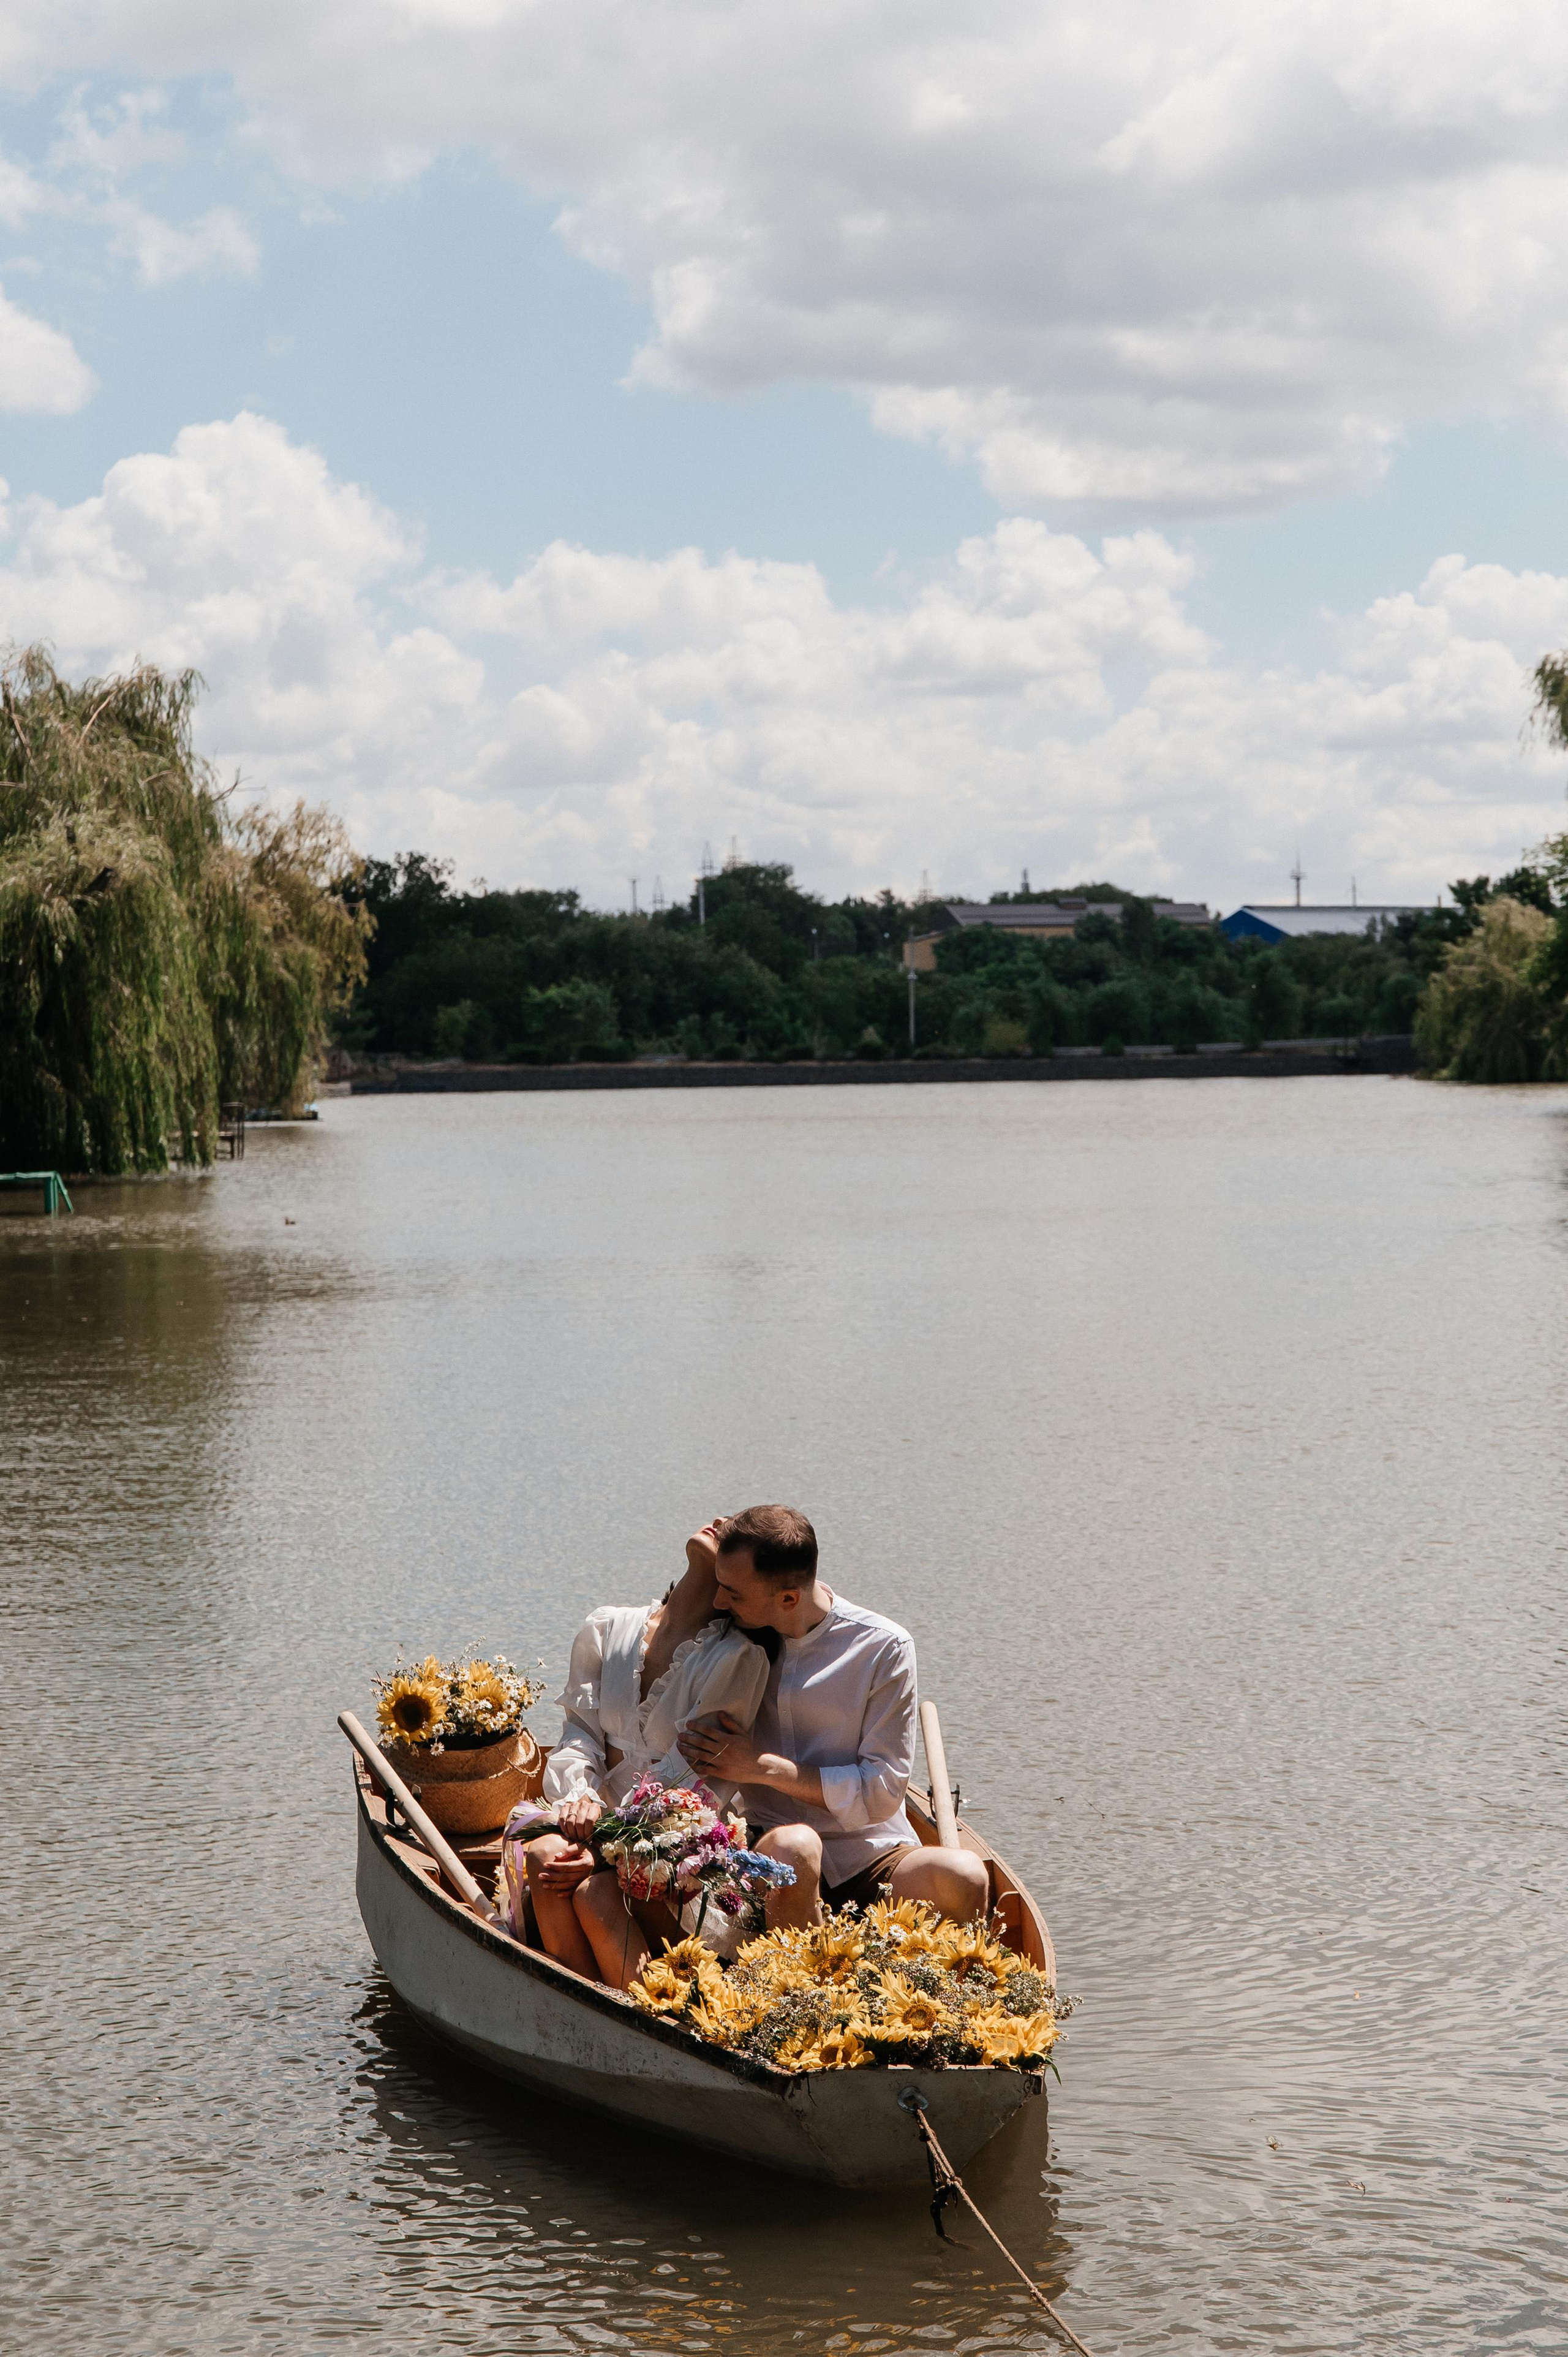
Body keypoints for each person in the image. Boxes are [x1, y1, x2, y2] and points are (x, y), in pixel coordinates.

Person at [677, 1505, 988, 1929]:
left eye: (733, 1593)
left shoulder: (884, 1648)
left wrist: (764, 1768)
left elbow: (881, 1792)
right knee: (794, 1846)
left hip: (869, 1853)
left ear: (788, 1598)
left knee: (966, 1875)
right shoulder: (727, 1634)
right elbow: (658, 1631)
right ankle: (804, 1989)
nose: (718, 1601)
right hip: (771, 1846)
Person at [520, 1523, 771, 1989]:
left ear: (731, 1592)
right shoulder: (609, 1626)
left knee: (595, 1892)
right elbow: (579, 1733)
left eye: (735, 1532)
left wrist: (602, 1847)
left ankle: (629, 2012)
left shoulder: (736, 1660)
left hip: (671, 1853)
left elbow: (690, 1784)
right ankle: (581, 2002)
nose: (720, 1521)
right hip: (588, 1818)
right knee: (545, 1854)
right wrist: (581, 1799)